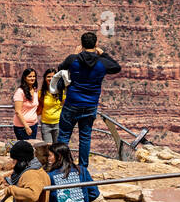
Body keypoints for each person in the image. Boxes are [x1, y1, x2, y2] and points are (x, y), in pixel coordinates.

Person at [56, 31, 121, 167]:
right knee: (85, 137)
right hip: (90, 105)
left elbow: (60, 68)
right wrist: (103, 54)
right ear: (96, 43)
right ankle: (83, 168)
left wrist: (75, 54)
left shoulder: (73, 59)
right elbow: (116, 67)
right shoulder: (102, 62)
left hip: (72, 103)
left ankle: (61, 166)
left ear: (82, 44)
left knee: (64, 136)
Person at [12, 67, 40, 140]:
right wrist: (26, 126)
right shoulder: (20, 92)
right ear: (24, 78)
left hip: (34, 124)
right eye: (29, 76)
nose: (32, 78)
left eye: (34, 76)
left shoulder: (35, 90)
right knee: (25, 149)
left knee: (32, 148)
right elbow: (18, 111)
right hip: (22, 127)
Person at [38, 67, 64, 144]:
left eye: (53, 77)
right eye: (48, 76)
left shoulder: (61, 92)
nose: (51, 78)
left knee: (57, 148)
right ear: (45, 78)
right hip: (46, 124)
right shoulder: (41, 93)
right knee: (48, 148)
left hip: (58, 123)